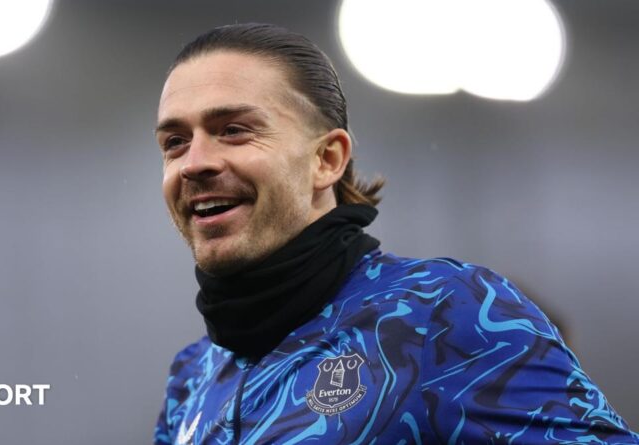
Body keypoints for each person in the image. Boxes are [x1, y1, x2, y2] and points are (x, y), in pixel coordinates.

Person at [152, 23, 638, 445]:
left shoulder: (446, 314)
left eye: (234, 130)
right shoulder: (193, 375)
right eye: (175, 142)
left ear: (327, 160)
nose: (195, 163)